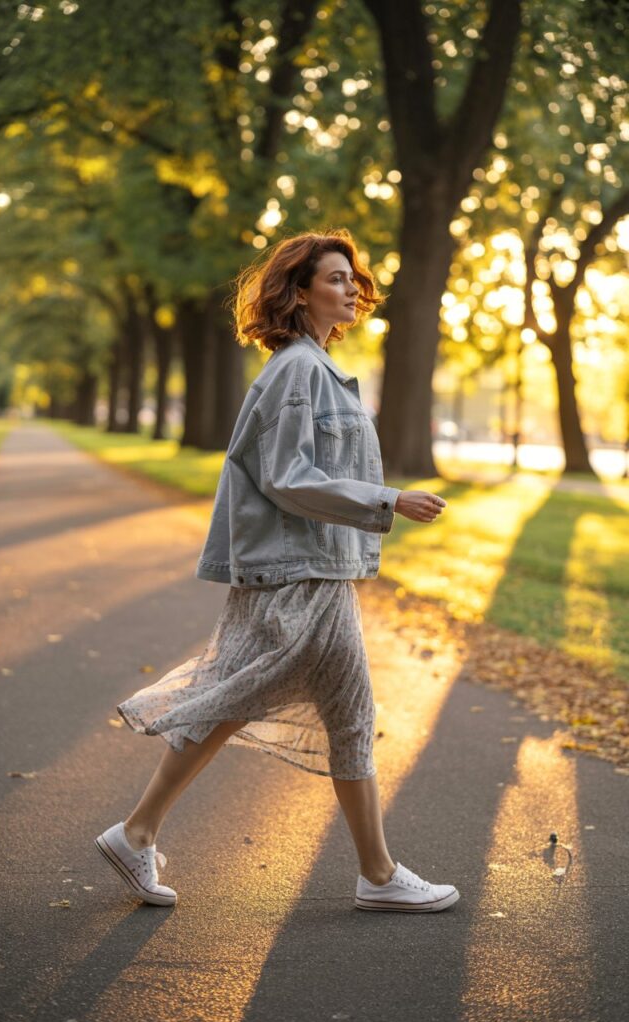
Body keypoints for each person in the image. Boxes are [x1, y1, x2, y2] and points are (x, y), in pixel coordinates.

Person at [95, 228, 460, 914]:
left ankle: (372, 874)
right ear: (298, 293)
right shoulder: (297, 370)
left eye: (353, 278)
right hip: (295, 574)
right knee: (246, 697)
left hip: (313, 571)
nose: (350, 287)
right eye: (334, 278)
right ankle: (371, 875)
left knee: (319, 711)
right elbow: (290, 477)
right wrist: (390, 500)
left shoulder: (314, 367)